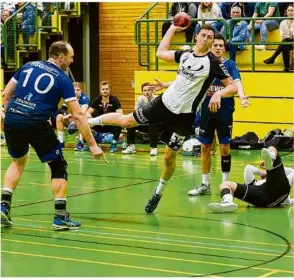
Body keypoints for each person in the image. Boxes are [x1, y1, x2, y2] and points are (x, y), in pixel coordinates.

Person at [87, 24, 238, 214]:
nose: (206, 38)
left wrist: (219, 94)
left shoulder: (213, 63)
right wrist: (173, 28)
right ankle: (88, 122)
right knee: (127, 121)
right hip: (163, 104)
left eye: (210, 36)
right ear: (196, 38)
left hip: (183, 117)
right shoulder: (184, 55)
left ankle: (158, 192)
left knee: (168, 156)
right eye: (203, 35)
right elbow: (160, 52)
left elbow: (232, 87)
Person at [1, 41, 107, 230]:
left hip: (12, 119)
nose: (72, 60)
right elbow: (77, 114)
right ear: (60, 57)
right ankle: (60, 217)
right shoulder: (62, 78)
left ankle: (4, 207)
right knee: (58, 166)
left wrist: (12, 115)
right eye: (71, 56)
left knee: (17, 161)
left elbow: (6, 94)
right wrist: (92, 144)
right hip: (35, 122)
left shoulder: (27, 66)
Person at [188, 33, 250, 196]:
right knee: (205, 147)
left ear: (224, 49)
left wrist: (242, 95)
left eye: (221, 46)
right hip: (206, 113)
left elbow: (237, 83)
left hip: (225, 112)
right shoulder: (204, 63)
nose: (218, 48)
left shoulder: (230, 65)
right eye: (215, 45)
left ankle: (226, 184)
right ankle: (205, 184)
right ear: (210, 46)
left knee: (224, 147)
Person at [209, 146, 294, 213]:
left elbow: (248, 168)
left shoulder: (250, 186)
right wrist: (264, 173)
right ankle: (271, 156)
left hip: (262, 201)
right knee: (272, 148)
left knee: (225, 184)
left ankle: (227, 201)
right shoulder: (255, 184)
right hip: (281, 194)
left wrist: (264, 173)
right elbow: (249, 168)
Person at [82, 81, 123, 153]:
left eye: (107, 89)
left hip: (111, 124)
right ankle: (91, 144)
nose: (105, 91)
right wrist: (89, 118)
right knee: (85, 122)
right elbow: (88, 112)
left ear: (109, 90)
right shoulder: (97, 100)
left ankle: (114, 143)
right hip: (100, 124)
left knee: (119, 123)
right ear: (100, 90)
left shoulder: (115, 100)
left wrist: (108, 120)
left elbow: (120, 114)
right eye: (103, 89)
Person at [122, 82, 161, 156]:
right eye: (144, 90)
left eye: (149, 90)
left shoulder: (157, 99)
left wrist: (148, 105)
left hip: (155, 125)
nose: (147, 92)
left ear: (152, 90)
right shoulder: (139, 99)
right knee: (130, 122)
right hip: (143, 123)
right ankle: (131, 146)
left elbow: (157, 115)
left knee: (153, 122)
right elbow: (136, 113)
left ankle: (153, 148)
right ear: (142, 92)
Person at [56, 82, 90, 150]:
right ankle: (61, 141)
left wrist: (69, 115)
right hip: (72, 120)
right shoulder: (70, 98)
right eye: (74, 90)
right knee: (59, 116)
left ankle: (80, 142)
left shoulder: (84, 98)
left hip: (82, 121)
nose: (76, 92)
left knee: (82, 118)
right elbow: (61, 110)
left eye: (78, 90)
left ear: (81, 90)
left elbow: (82, 113)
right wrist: (65, 115)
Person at [263, 4, 294, 72]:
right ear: (286, 11)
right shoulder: (283, 22)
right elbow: (283, 35)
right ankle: (286, 67)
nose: (290, 12)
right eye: (289, 10)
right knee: (285, 43)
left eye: (292, 10)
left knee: (285, 42)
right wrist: (291, 35)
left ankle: (273, 58)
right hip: (288, 42)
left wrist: (289, 35)